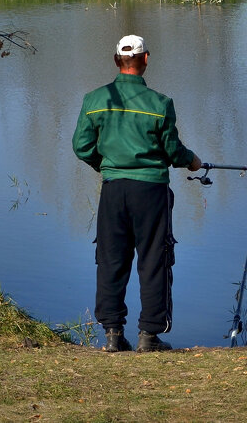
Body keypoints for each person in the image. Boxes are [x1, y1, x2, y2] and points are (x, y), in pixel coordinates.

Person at [72, 34, 202, 352]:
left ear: (117, 61)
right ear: (146, 59)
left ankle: (113, 334)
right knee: (154, 261)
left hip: (114, 190)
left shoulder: (94, 100)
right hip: (152, 191)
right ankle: (149, 336)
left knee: (111, 259)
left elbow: (81, 146)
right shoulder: (160, 104)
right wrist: (193, 161)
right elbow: (172, 150)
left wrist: (106, 166)